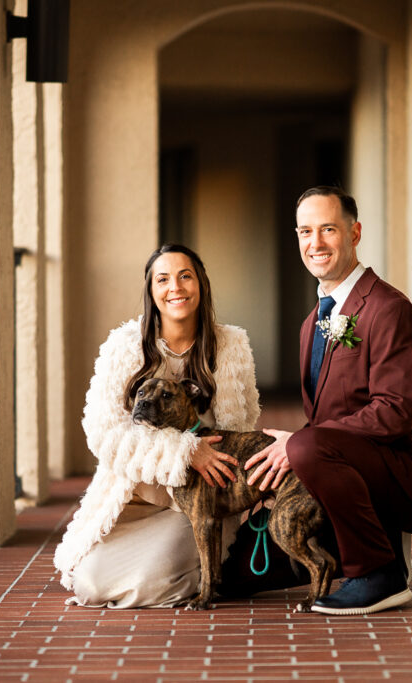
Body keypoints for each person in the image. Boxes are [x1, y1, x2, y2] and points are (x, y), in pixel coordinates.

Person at [246, 186, 412, 616]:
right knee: (235, 575)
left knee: (301, 444)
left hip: (395, 470)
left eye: (328, 229)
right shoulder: (312, 322)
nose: (315, 243)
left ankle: (380, 573)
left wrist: (301, 445)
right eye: (305, 231)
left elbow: (394, 412)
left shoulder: (388, 309)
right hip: (340, 477)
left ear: (354, 233)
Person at [53, 243, 260, 608]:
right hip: (136, 496)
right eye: (162, 279)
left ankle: (209, 571)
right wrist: (186, 452)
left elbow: (237, 429)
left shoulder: (230, 346)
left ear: (202, 285)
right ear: (151, 291)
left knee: (148, 583)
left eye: (185, 276)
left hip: (199, 502)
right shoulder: (124, 346)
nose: (175, 288)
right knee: (91, 583)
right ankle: (201, 571)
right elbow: (104, 432)